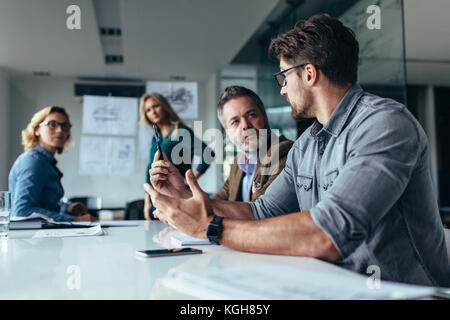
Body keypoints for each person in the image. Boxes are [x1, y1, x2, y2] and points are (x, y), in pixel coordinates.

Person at [144, 13, 450, 286]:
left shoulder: (384, 124)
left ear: (308, 74)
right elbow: (260, 212)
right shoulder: (306, 145)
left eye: (283, 76)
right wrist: (185, 196)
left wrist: (212, 228)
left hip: (407, 293)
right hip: (337, 287)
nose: (281, 88)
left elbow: (328, 233)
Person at [150, 86, 293, 203]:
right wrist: (180, 192)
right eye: (235, 121)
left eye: (251, 115)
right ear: (227, 131)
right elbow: (216, 203)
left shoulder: (283, 152)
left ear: (264, 117)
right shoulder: (239, 163)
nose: (245, 125)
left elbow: (260, 211)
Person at [9, 106, 97, 222]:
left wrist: (68, 208)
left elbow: (43, 205)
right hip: (31, 238)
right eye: (52, 124)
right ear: (37, 130)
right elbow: (22, 211)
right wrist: (74, 219)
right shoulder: (34, 161)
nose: (60, 130)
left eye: (65, 126)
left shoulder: (45, 162)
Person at [140, 92, 213, 220]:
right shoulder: (155, 137)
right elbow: (150, 168)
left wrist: (190, 180)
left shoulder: (181, 131)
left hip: (177, 198)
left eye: (156, 106)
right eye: (148, 110)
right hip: (157, 200)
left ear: (164, 106)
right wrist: (147, 200)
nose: (153, 112)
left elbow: (208, 154)